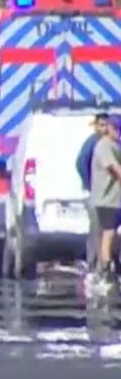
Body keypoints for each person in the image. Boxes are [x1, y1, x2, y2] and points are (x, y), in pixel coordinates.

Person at [88, 117, 121, 285]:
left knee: (111, 233)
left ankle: (110, 268)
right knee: (108, 233)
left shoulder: (113, 146)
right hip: (105, 199)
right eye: (118, 131)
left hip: (113, 199)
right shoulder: (104, 146)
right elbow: (114, 169)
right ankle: (105, 271)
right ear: (111, 129)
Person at [78, 113, 110, 268]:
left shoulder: (110, 142)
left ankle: (102, 264)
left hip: (109, 194)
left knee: (104, 230)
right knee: (97, 230)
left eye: (106, 125)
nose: (104, 128)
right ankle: (94, 264)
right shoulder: (93, 142)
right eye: (101, 125)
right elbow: (80, 162)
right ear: (96, 126)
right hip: (97, 194)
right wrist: (90, 183)